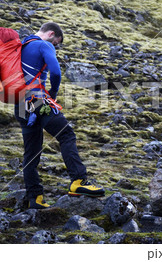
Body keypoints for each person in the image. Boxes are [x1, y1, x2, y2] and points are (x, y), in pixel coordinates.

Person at [14, 22, 105, 209]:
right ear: (51, 34)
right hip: (38, 101)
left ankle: (35, 199)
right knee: (66, 135)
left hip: (20, 105)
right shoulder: (44, 44)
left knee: (31, 153)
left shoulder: (21, 47)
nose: (55, 46)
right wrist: (53, 94)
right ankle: (78, 181)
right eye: (56, 43)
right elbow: (55, 72)